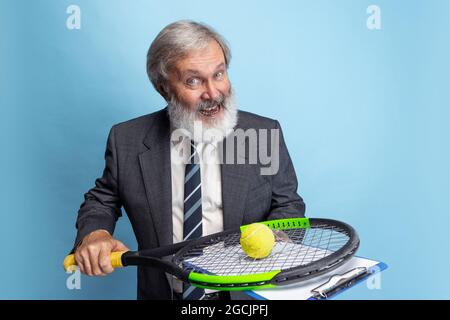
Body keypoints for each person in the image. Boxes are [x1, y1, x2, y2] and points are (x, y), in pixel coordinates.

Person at [71, 20, 306, 300]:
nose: (213, 93)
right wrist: (94, 234)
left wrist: (275, 244)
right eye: (193, 81)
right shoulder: (126, 140)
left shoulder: (263, 134)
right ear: (163, 87)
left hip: (246, 298)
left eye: (219, 74)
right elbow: (103, 199)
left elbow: (288, 204)